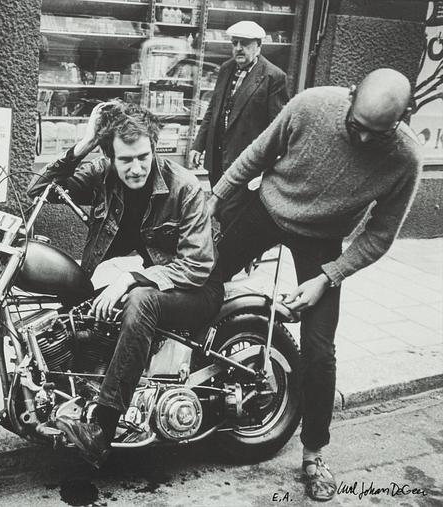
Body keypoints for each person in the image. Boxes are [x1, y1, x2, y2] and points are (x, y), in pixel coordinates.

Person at [206, 68, 422, 501]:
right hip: (264, 209)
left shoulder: (405, 159)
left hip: (323, 239)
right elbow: (257, 155)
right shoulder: (312, 105)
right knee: (200, 284)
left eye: (376, 134)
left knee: (321, 352)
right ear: (350, 95)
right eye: (356, 127)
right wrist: (214, 200)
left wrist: (330, 276)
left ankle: (314, 454)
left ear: (401, 120)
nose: (362, 140)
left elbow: (379, 235)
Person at [27, 101, 224, 467]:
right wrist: (86, 141)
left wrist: (132, 278)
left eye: (143, 157)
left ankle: (103, 427)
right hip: (128, 280)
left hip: (193, 289)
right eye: (125, 160)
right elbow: (37, 190)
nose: (135, 168)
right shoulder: (102, 174)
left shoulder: (185, 188)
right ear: (110, 157)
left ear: (153, 147)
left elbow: (198, 265)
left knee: (141, 300)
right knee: (73, 303)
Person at [189, 20, 288, 224]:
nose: (238, 49)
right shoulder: (226, 68)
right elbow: (213, 109)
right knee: (219, 209)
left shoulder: (273, 76)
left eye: (244, 43)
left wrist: (265, 167)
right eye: (235, 43)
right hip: (217, 157)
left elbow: (277, 126)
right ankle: (220, 249)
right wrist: (198, 145)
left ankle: (227, 253)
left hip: (245, 162)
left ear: (258, 45)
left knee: (232, 214)